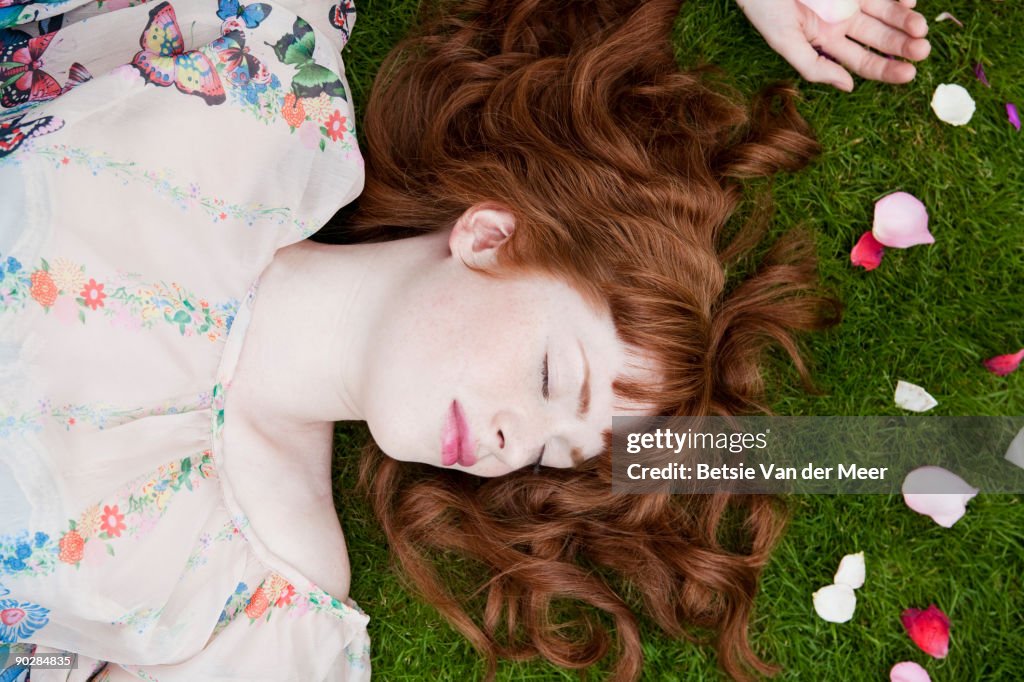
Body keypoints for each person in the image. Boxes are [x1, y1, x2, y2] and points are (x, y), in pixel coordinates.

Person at [0, 0, 929, 680]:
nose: (508, 443)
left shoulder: (269, 602)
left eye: (552, 451)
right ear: (488, 236)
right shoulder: (254, 104)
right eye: (546, 378)